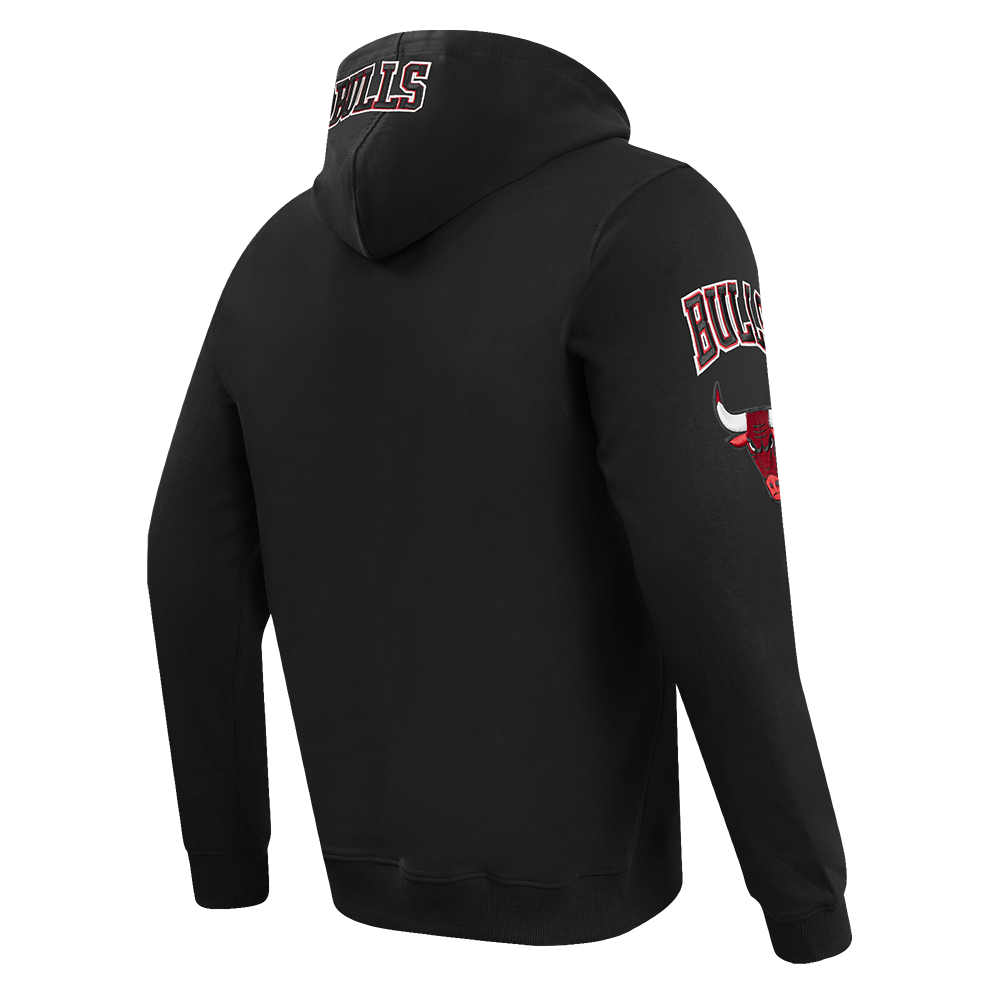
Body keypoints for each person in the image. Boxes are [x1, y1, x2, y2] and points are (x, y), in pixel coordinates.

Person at [148, 29, 851, 963]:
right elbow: (719, 580)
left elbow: (190, 575)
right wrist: (813, 915)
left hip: (349, 905)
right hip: (596, 917)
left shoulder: (269, 255)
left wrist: (228, 873)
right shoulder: (652, 218)